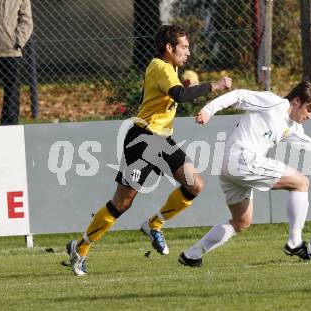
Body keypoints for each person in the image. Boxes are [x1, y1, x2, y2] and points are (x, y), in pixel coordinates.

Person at [66, 25, 232, 276]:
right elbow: (180, 94)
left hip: (162, 140)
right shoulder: (159, 66)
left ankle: (154, 224)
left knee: (194, 184)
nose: (188, 52)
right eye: (184, 47)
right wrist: (214, 85)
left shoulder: (172, 67)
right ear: (169, 47)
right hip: (142, 140)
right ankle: (80, 248)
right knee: (122, 203)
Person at [178, 81, 311, 267]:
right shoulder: (274, 102)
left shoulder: (293, 127)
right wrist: (209, 109)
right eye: (309, 109)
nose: (310, 116)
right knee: (301, 182)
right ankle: (294, 242)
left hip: (230, 165)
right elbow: (239, 95)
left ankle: (191, 255)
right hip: (242, 158)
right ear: (296, 102)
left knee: (241, 222)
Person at [0, 0, 33, 125]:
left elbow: (26, 20)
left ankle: (9, 128)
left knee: (12, 91)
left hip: (10, 51)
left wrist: (18, 41)